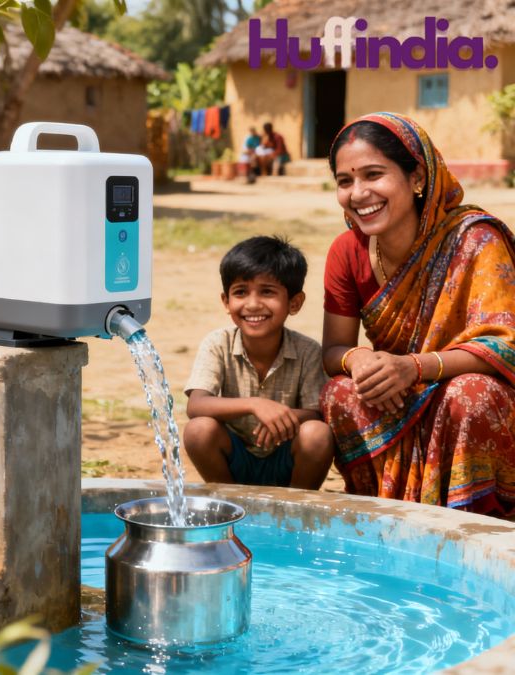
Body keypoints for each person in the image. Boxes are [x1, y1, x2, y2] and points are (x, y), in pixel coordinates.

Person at [321, 112, 515, 515]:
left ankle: (475, 522)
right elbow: (334, 348)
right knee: (340, 392)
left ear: (418, 178)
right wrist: (360, 360)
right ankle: (381, 516)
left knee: (468, 395)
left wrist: (414, 367)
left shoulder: (476, 240)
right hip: (397, 393)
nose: (359, 193)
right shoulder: (347, 251)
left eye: (374, 175)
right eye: (345, 181)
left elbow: (506, 347)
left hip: (465, 390)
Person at [183, 236, 334, 489]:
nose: (252, 304)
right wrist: (255, 405)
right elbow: (196, 405)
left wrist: (281, 419)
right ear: (226, 302)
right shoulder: (217, 343)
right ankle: (232, 503)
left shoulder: (308, 350)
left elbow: (315, 412)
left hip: (287, 462)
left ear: (294, 303)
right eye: (240, 292)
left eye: (267, 291)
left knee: (317, 434)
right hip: (234, 460)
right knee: (199, 430)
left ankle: (293, 510)